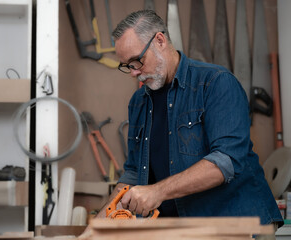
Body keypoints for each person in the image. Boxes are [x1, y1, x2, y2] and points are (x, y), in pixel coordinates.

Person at [81, 9, 282, 238]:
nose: (133, 72)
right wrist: (96, 227)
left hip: (238, 224)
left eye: (137, 61)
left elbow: (225, 162)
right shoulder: (138, 102)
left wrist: (157, 191)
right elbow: (134, 173)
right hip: (182, 231)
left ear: (160, 40)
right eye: (127, 65)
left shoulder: (215, 83)